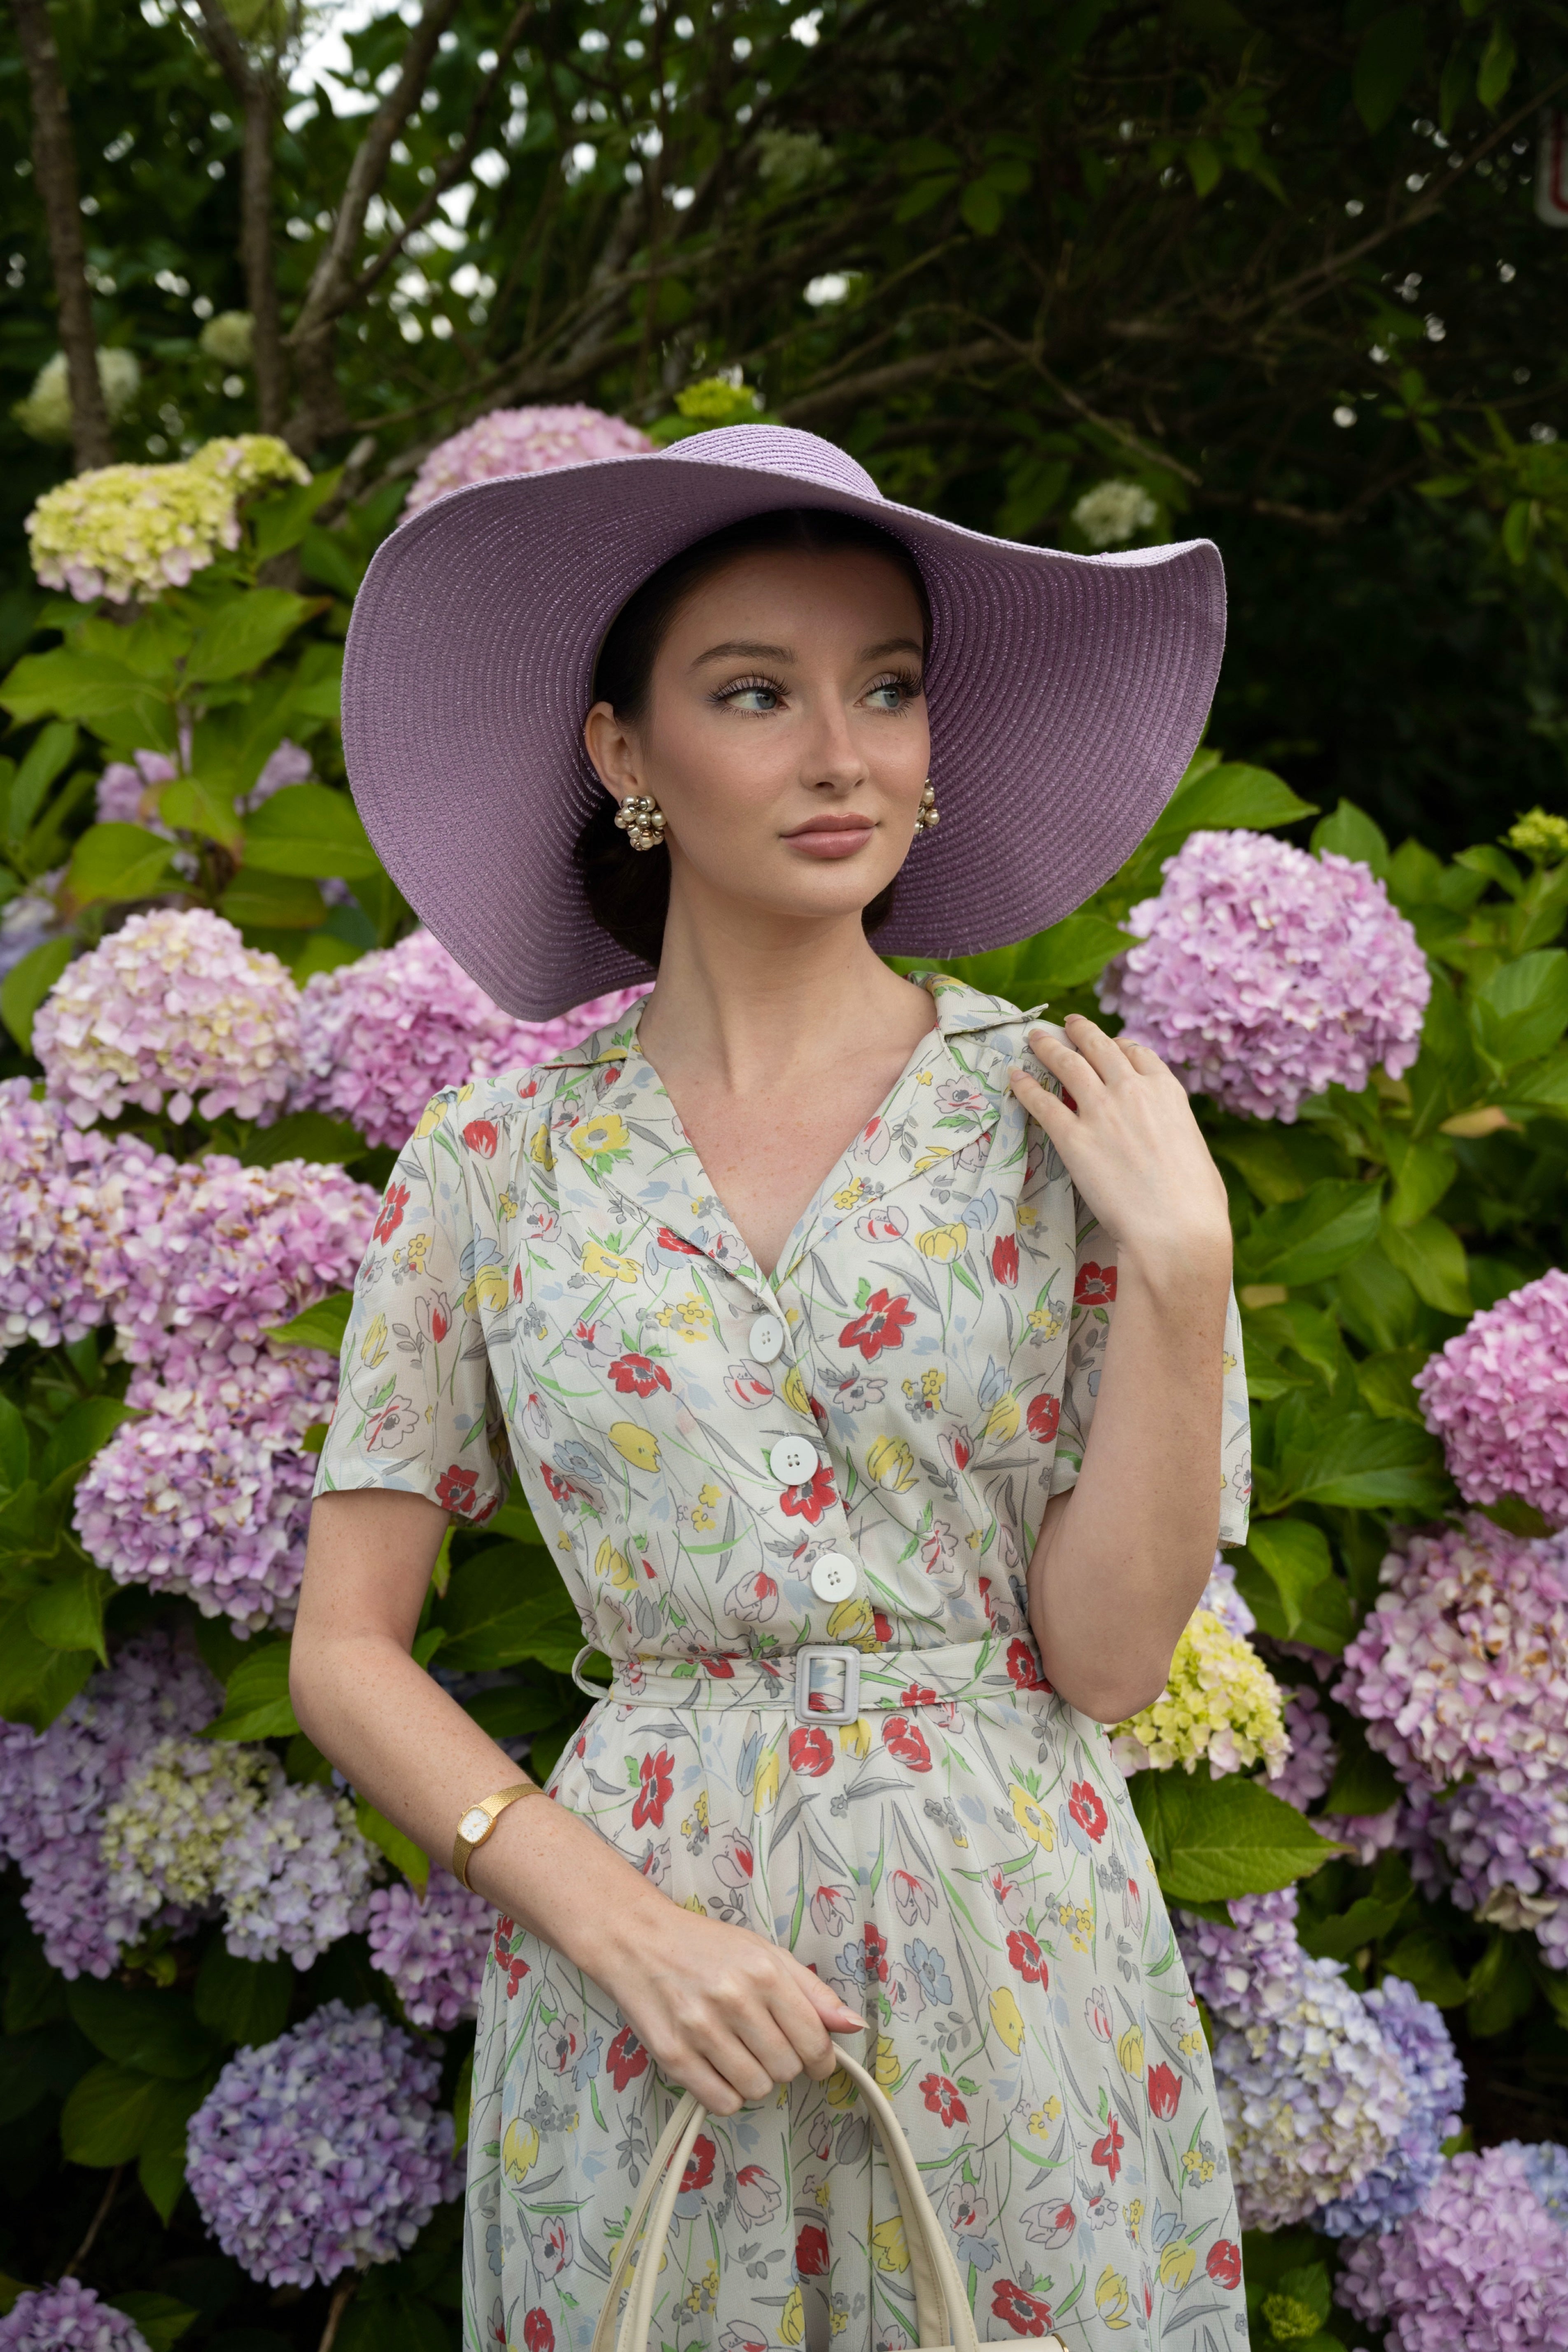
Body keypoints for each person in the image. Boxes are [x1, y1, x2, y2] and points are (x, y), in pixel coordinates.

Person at [292, 425, 1252, 2352]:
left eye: (887, 688)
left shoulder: (1069, 1124)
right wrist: (608, 1918)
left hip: (1018, 1961)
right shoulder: (499, 1160)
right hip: (648, 1984)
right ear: (624, 757)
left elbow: (1108, 1664)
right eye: (757, 694)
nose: (845, 754)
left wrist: (1185, 1274)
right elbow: (345, 1648)